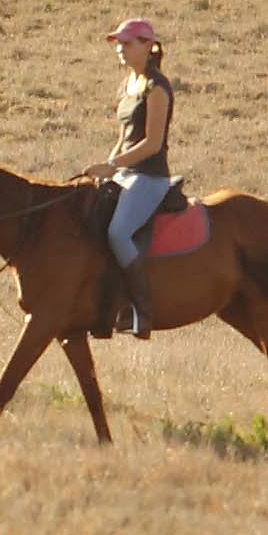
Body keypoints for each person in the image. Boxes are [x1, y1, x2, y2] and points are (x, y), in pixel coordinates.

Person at [99, 18, 177, 337]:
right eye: (118, 43)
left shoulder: (157, 87)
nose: (120, 48)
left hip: (149, 177)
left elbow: (152, 143)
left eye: (127, 43)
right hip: (125, 173)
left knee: (118, 234)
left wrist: (114, 164)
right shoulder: (129, 84)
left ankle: (142, 311)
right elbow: (124, 137)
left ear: (148, 45)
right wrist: (106, 168)